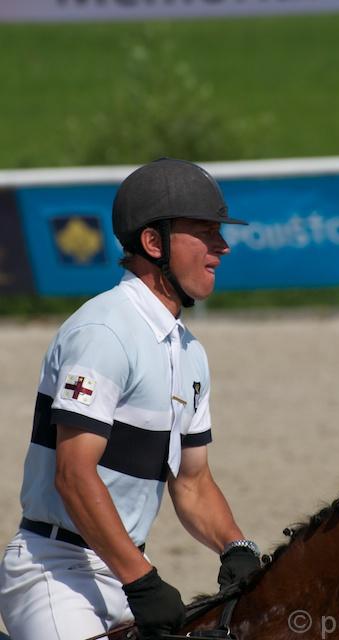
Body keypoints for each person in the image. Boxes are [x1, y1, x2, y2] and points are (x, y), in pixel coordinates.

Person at [0, 158, 261, 640]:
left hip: (124, 570)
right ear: (154, 243)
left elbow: (192, 482)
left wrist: (235, 546)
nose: (222, 246)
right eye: (205, 232)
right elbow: (73, 475)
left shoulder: (190, 353)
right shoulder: (104, 332)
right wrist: (141, 581)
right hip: (55, 572)